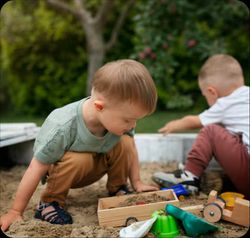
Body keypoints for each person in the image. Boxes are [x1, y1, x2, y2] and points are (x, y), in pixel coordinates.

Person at [0, 59, 159, 231]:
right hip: (65, 173)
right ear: (100, 107)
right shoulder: (63, 126)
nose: (133, 125)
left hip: (96, 164)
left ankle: (118, 187)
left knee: (126, 142)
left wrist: (137, 181)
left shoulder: (119, 122)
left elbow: (131, 149)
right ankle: (49, 203)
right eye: (128, 119)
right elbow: (35, 167)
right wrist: (15, 211)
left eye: (136, 119)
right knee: (79, 159)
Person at [153, 54, 249, 199]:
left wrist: (174, 124)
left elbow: (195, 121)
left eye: (205, 96)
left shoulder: (226, 103)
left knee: (211, 131)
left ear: (212, 92)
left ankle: (189, 176)